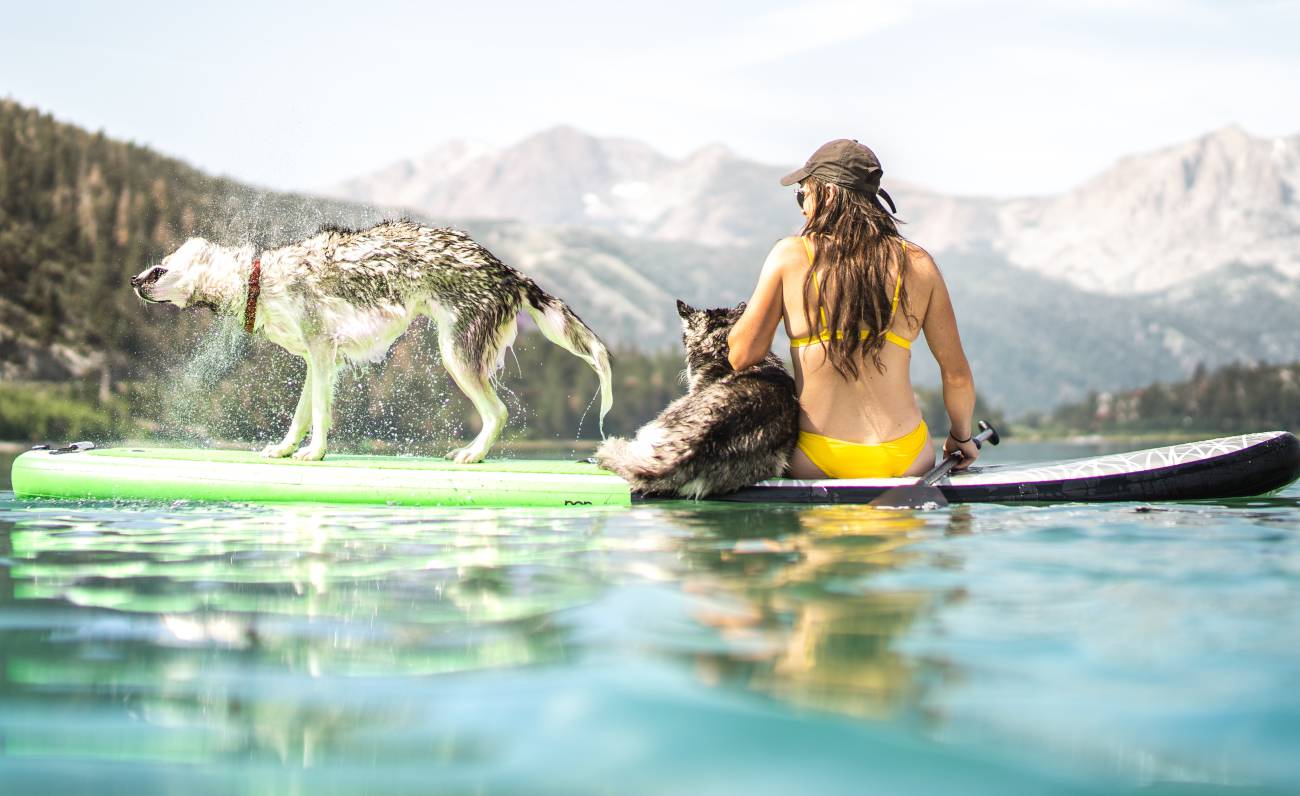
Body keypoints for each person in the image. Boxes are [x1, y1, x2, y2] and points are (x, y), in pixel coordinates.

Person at [726, 139, 978, 478]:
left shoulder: (791, 255)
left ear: (827, 194)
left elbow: (741, 356)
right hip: (905, 457)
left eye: (803, 194)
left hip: (817, 456)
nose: (802, 207)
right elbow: (957, 375)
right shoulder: (919, 264)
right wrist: (960, 437)